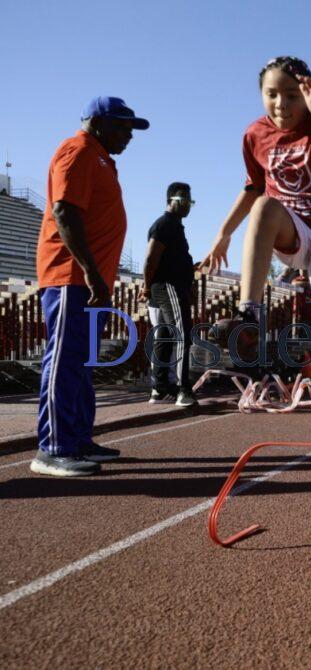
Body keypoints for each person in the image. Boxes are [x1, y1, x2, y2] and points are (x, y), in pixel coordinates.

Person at [200, 56, 311, 443]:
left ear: (307, 94)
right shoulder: (255, 135)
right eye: (272, 94)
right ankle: (248, 315)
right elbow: (253, 188)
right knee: (265, 206)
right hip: (291, 228)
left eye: (292, 95)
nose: (281, 104)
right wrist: (223, 233)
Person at [31, 96, 150, 476]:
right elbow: (64, 211)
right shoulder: (78, 150)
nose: (128, 135)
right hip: (70, 277)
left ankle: (78, 438)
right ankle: (53, 448)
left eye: (131, 129)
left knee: (83, 362)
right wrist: (90, 272)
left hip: (89, 280)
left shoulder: (99, 158)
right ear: (97, 122)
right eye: (122, 127)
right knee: (66, 360)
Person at [142, 182, 197, 406]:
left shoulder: (175, 226)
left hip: (170, 286)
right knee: (182, 334)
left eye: (190, 201)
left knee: (164, 336)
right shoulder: (165, 225)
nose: (187, 205)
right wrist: (146, 287)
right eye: (183, 200)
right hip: (168, 287)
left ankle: (160, 389)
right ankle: (184, 390)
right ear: (170, 201)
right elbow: (150, 259)